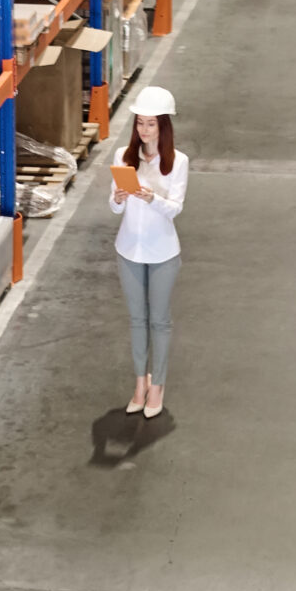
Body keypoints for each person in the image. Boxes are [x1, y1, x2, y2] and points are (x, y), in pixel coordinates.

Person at [109, 85, 188, 418]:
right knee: (137, 320)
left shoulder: (177, 162)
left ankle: (158, 386)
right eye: (140, 123)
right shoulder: (123, 158)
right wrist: (118, 198)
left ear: (163, 126)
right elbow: (113, 208)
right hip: (128, 249)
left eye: (150, 124)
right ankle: (140, 383)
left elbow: (175, 209)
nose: (144, 130)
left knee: (159, 321)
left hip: (163, 253)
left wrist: (150, 197)